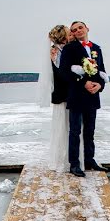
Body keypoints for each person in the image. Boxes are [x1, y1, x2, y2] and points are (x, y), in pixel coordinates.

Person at [59, 21, 108, 177]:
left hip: (93, 96)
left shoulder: (97, 49)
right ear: (72, 34)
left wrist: (99, 85)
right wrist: (84, 82)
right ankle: (74, 164)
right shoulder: (69, 48)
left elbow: (102, 71)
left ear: (87, 28)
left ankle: (89, 161)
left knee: (90, 131)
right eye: (74, 30)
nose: (77, 31)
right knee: (74, 131)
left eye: (80, 27)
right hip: (77, 95)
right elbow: (64, 72)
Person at [38, 24, 73, 170]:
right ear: (63, 36)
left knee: (70, 126)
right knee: (61, 127)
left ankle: (71, 156)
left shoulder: (64, 49)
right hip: (61, 93)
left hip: (67, 92)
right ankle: (61, 158)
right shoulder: (55, 51)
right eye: (68, 33)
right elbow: (61, 73)